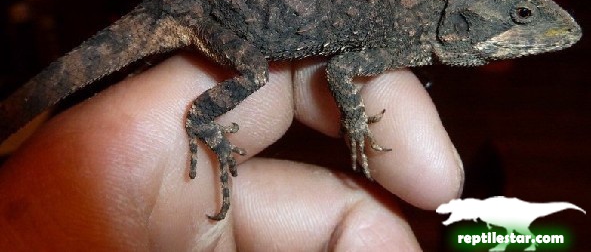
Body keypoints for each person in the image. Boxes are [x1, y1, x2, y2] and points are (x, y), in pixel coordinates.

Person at [0, 53, 463, 250]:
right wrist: (356, 123)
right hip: (238, 10)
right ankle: (202, 119)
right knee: (258, 75)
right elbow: (340, 72)